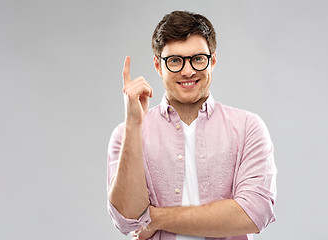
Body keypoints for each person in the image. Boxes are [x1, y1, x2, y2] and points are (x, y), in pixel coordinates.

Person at [107, 10, 277, 240]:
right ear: (158, 66)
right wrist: (133, 126)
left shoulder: (248, 128)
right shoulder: (126, 134)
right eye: (175, 60)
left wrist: (155, 218)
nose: (188, 71)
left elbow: (254, 213)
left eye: (197, 58)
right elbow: (126, 218)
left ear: (213, 60)